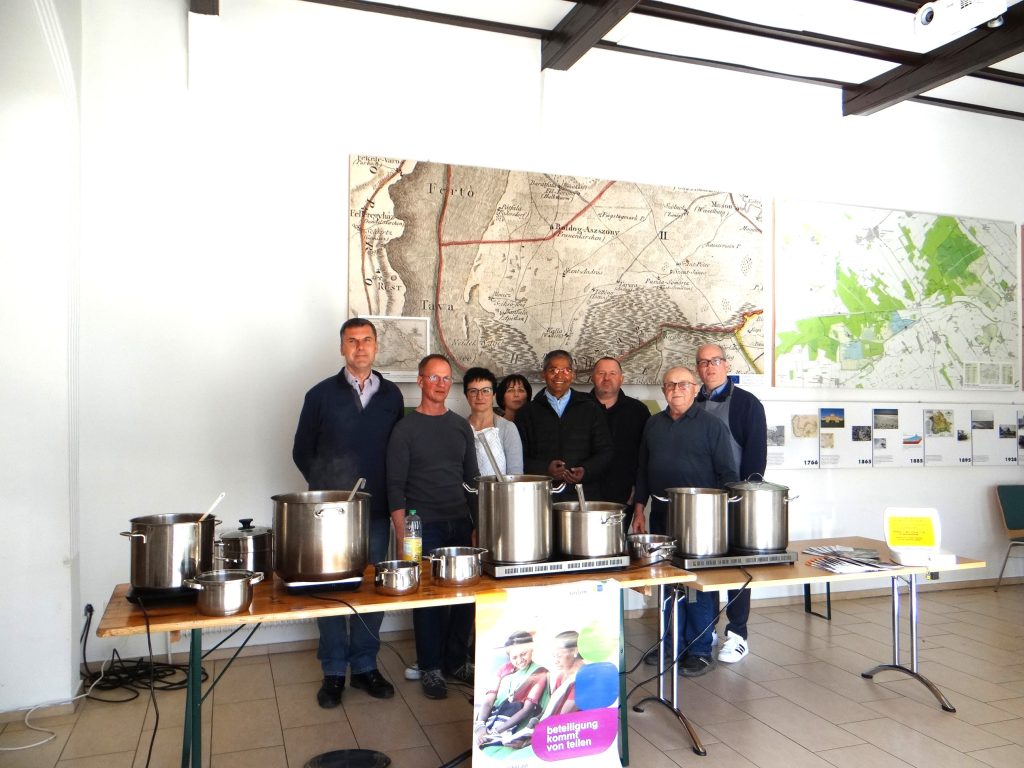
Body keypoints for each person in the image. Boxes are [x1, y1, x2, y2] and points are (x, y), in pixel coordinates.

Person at [292, 317, 403, 707]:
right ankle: (334, 671)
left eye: (366, 340)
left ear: (376, 346)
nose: (360, 347)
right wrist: (329, 492)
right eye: (352, 341)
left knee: (371, 588)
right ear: (342, 348)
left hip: (376, 510)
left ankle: (366, 666)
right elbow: (301, 451)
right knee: (331, 589)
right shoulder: (319, 395)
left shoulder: (391, 396)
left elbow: (397, 453)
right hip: (330, 516)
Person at [632, 366, 738, 676]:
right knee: (667, 581)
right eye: (670, 385)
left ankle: (700, 649)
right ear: (663, 390)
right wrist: (639, 509)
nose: (676, 389)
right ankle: (670, 643)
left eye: (683, 384)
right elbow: (642, 470)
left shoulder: (712, 426)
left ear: (694, 389)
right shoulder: (653, 424)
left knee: (696, 584)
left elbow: (728, 475)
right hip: (662, 516)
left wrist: (722, 519)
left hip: (700, 519)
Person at [387, 354, 479, 699]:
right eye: (433, 377)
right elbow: (395, 485)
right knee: (429, 600)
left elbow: (472, 480)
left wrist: (477, 524)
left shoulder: (460, 426)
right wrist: (402, 533)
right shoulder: (405, 429)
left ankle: (456, 661)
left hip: (460, 522)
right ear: (420, 381)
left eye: (445, 378)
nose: (440, 384)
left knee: (465, 596)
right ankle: (431, 667)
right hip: (422, 527)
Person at [694, 343, 767, 665]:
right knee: (705, 567)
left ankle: (737, 635)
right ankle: (706, 629)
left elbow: (756, 456)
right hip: (699, 502)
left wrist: (744, 496)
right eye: (703, 362)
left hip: (737, 499)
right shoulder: (692, 401)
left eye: (715, 361)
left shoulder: (747, 404)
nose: (709, 367)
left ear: (726, 365)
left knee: (738, 568)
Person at [515, 350, 613, 502]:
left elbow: (605, 452)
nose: (559, 375)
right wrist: (545, 469)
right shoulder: (527, 413)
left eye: (566, 370)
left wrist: (585, 470)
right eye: (553, 370)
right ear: (543, 374)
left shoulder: (591, 409)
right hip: (540, 496)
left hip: (583, 495)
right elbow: (518, 456)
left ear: (573, 375)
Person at [589, 357, 650, 506]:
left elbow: (645, 455)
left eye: (612, 373)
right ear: (592, 378)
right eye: (601, 373)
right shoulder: (577, 408)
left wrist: (638, 491)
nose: (606, 378)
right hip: (583, 495)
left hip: (624, 496)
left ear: (621, 379)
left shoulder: (638, 411)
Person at [474, 631, 549, 749]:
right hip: (492, 718)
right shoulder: (504, 669)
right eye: (514, 657)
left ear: (531, 648)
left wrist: (495, 731)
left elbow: (527, 709)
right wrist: (480, 725)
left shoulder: (540, 672)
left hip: (514, 724)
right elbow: (488, 701)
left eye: (523, 654)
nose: (520, 660)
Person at [464, 366, 524, 476]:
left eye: (486, 391)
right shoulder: (459, 428)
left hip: (500, 488)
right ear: (466, 395)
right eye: (473, 391)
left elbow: (515, 475)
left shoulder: (508, 428)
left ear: (493, 395)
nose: (480, 396)